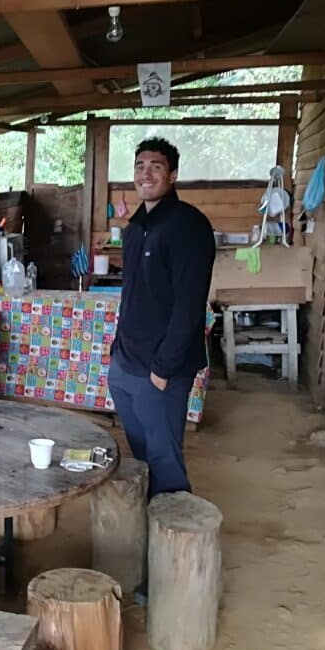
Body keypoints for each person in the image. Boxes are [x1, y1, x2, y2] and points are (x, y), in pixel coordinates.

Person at [110, 138, 215, 497]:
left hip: (160, 369)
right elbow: (133, 294)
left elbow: (190, 303)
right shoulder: (136, 227)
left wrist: (163, 368)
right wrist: (116, 351)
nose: (146, 173)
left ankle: (175, 542)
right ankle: (149, 526)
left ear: (172, 175)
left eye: (156, 166)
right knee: (142, 457)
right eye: (140, 166)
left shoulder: (188, 226)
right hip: (126, 363)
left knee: (164, 459)